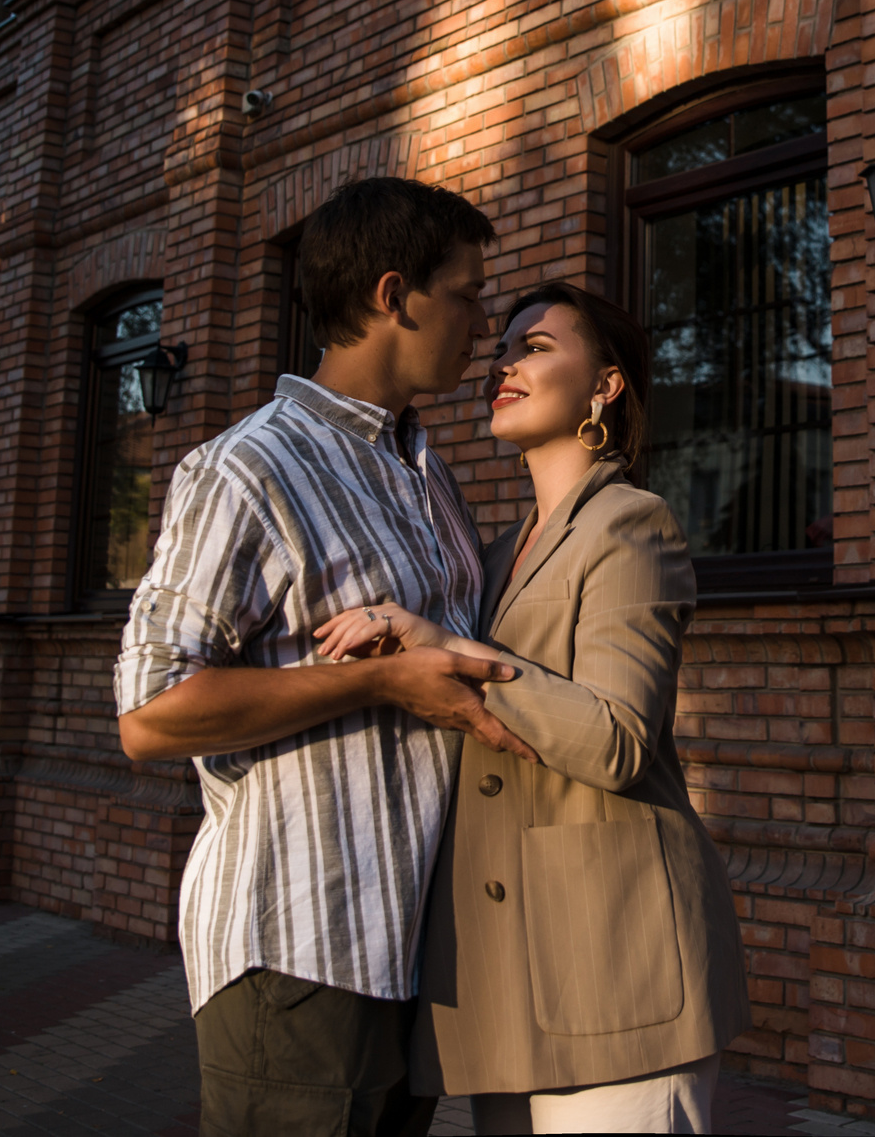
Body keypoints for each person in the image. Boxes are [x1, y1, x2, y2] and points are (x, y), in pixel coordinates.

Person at [114, 176, 535, 1137]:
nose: (483, 322)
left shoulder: (423, 471)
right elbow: (149, 715)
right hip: (302, 947)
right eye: (467, 293)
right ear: (396, 295)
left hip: (414, 946)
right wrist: (382, 676)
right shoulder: (250, 466)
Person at [314, 282, 749, 1135]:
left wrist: (446, 648)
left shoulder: (632, 524)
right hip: (506, 982)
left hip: (615, 967)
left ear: (605, 386)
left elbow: (620, 740)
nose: (503, 363)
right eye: (503, 346)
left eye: (537, 345)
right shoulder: (496, 552)